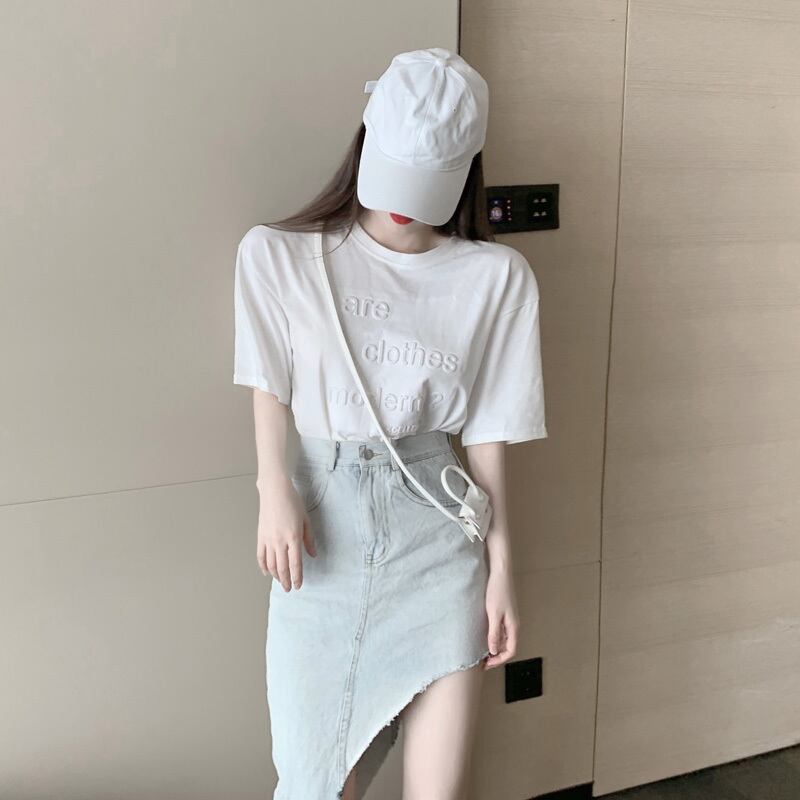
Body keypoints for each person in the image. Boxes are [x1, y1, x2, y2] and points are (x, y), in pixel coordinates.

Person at [233, 47, 547, 800]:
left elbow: (488, 435)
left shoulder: (496, 278)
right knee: (313, 787)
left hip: (439, 541)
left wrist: (502, 570)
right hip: (324, 539)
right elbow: (268, 385)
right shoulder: (278, 256)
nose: (405, 203)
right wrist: (273, 488)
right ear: (367, 141)